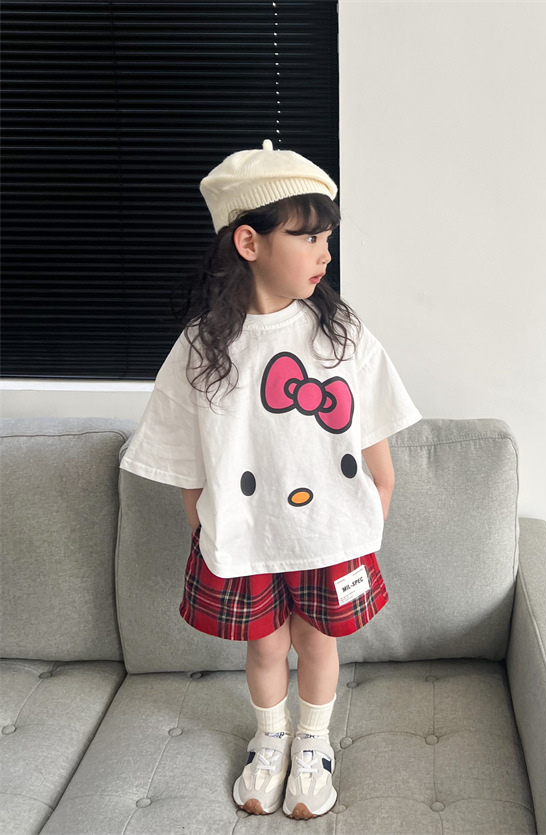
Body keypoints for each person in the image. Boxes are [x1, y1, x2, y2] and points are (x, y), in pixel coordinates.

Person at [120, 140, 421, 819]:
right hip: (247, 531)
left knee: (318, 639)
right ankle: (271, 738)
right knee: (264, 643)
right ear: (249, 241)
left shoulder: (341, 334)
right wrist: (207, 526)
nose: (325, 253)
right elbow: (183, 455)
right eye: (308, 236)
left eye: (327, 237)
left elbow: (375, 432)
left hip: (330, 530)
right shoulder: (202, 348)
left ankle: (313, 743)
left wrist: (375, 504)